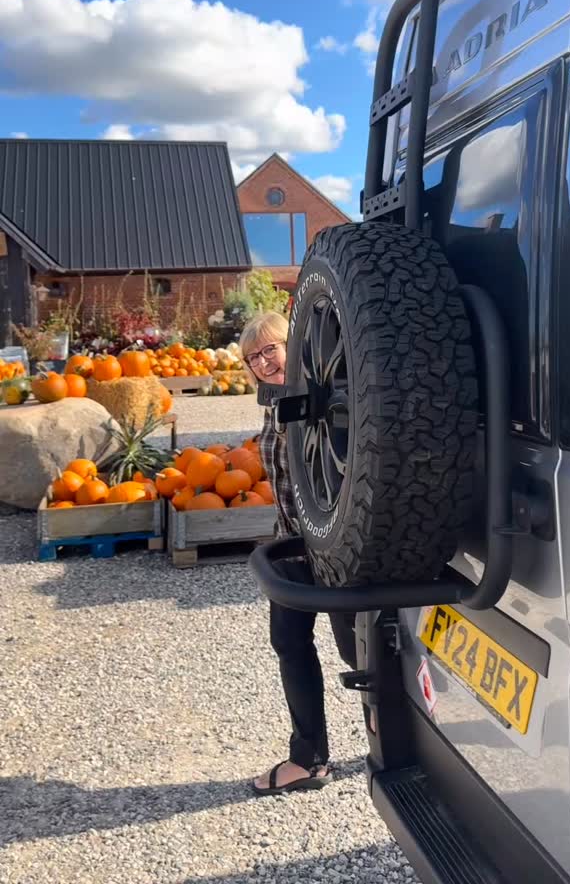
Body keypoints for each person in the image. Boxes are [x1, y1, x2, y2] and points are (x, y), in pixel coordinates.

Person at [239, 310, 357, 798]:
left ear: (296, 347)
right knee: (289, 643)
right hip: (292, 540)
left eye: (271, 348)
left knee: (360, 651)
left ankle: (399, 746)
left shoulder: (326, 399)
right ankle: (308, 758)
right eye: (253, 357)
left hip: (336, 545)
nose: (263, 361)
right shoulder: (276, 405)